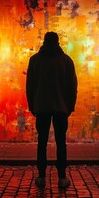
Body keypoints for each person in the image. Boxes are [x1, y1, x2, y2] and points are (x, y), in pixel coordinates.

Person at [26, 32, 78, 188]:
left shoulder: (35, 60)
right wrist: (70, 106)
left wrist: (32, 105)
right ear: (58, 42)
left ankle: (41, 175)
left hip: (41, 107)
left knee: (41, 143)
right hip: (61, 108)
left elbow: (30, 85)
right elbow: (72, 86)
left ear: (44, 42)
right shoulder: (66, 61)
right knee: (61, 143)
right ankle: (62, 177)